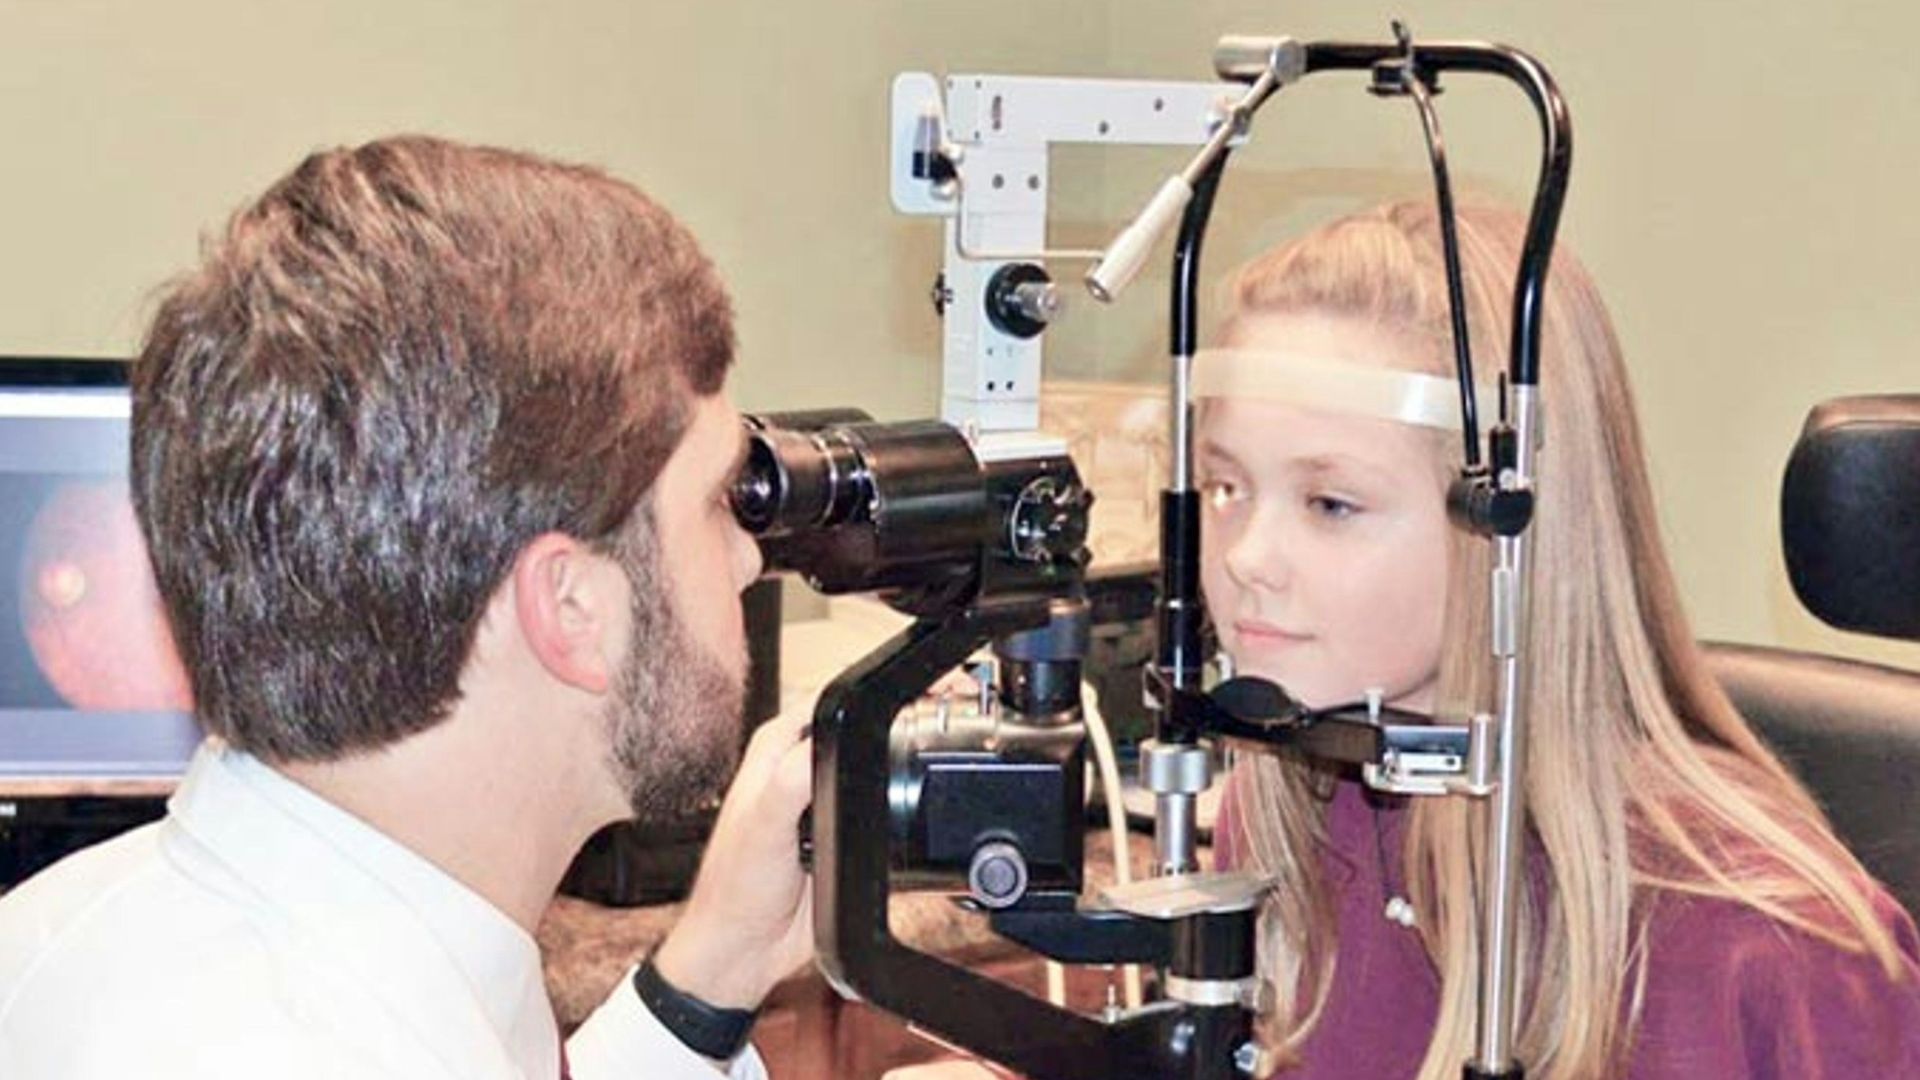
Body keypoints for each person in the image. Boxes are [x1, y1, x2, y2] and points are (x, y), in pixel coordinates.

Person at [0, 136, 812, 1079]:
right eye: (718, 502)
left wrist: (710, 980)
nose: (750, 556)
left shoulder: (88, 931)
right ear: (571, 608)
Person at [1199, 201, 1920, 1077]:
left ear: (1509, 525)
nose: (1247, 558)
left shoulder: (1767, 953)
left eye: (1330, 503)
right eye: (1224, 486)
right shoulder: (1292, 823)